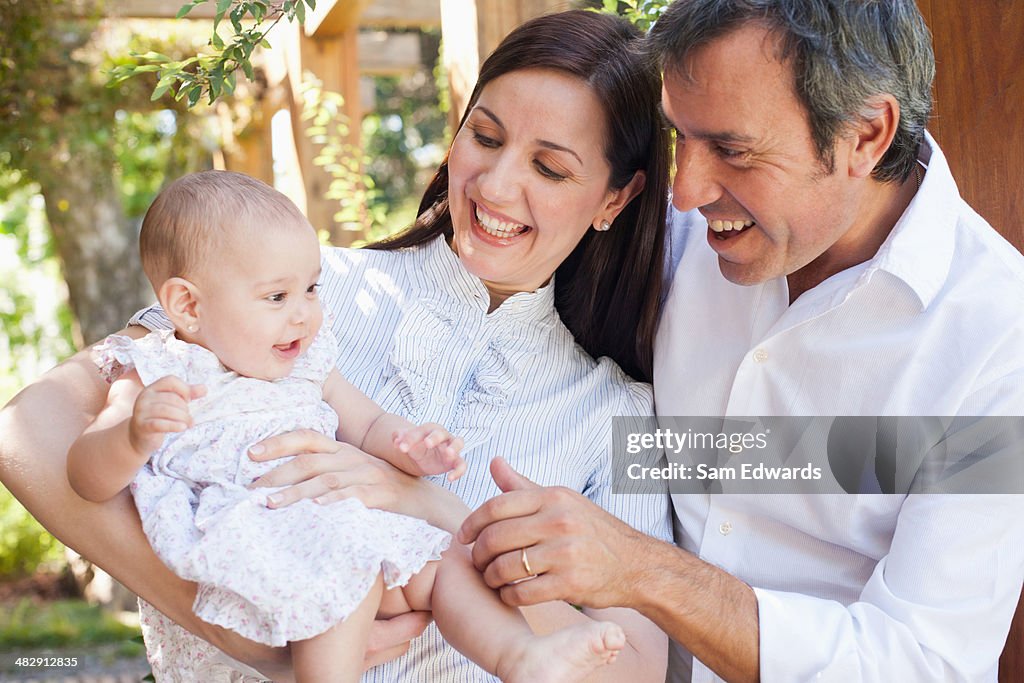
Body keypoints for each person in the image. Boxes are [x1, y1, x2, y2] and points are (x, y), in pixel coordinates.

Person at [0, 9, 673, 682]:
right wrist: (234, 630)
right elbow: (26, 433)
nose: (494, 185)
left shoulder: (619, 412)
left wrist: (432, 507)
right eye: (485, 136)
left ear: (616, 197)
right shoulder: (300, 296)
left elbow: (639, 664)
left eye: (550, 168)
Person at [458, 1, 1024, 681]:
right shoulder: (668, 234)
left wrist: (642, 570)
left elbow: (927, 662)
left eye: (732, 150)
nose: (687, 191)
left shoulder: (998, 335)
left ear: (867, 135)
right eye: (680, 138)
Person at [66, 169, 635, 682]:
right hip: (257, 543)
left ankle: (520, 656)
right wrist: (132, 435)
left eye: (311, 289)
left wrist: (413, 449)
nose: (304, 313)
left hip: (342, 533)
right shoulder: (156, 371)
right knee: (342, 574)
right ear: (188, 307)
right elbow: (87, 477)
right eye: (277, 296)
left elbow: (368, 427)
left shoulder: (308, 362)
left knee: (448, 565)